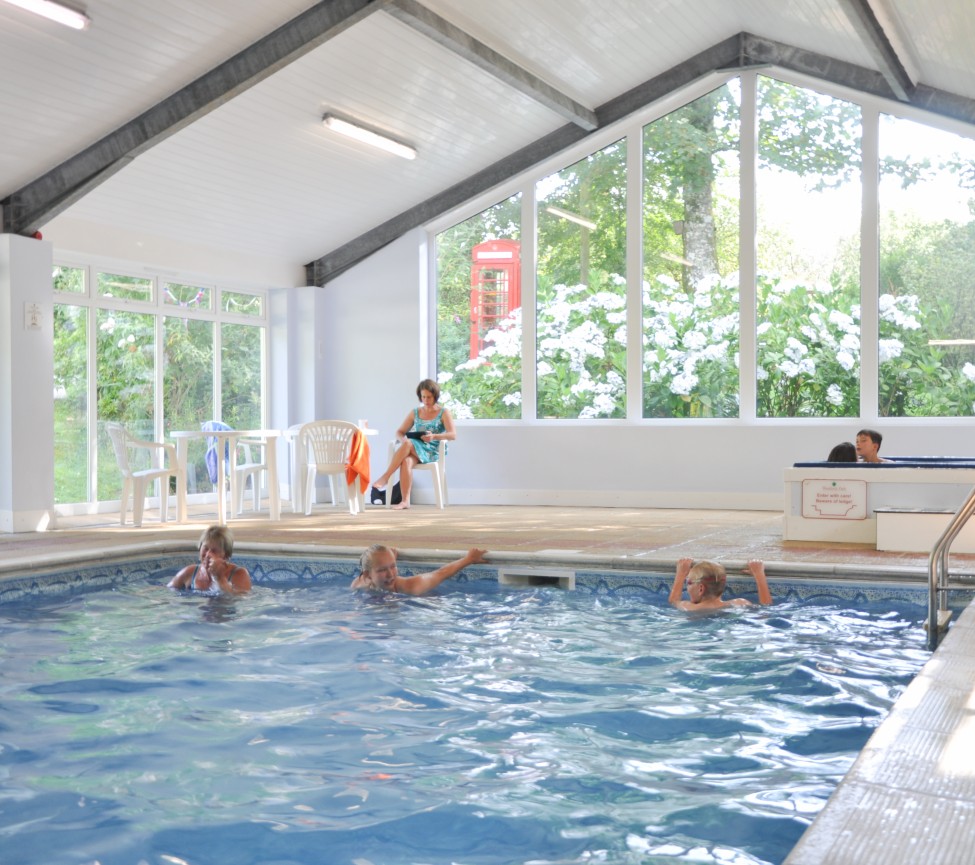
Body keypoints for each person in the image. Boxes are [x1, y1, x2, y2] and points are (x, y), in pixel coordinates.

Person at [371, 378, 456, 510]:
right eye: (423, 397)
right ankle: (405, 501)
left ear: (435, 396)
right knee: (406, 461)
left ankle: (386, 477)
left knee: (410, 444)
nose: (426, 401)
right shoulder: (415, 412)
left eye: (429, 397)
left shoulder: (443, 413)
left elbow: (452, 435)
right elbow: (399, 432)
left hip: (433, 450)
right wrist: (404, 442)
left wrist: (434, 436)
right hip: (416, 448)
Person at [351, 544, 488, 595]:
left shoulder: (412, 586)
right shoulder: (358, 584)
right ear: (367, 575)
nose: (390, 574)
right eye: (382, 570)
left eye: (393, 566)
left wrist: (468, 559)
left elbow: (441, 573)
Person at [168, 525, 252, 594]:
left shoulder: (239, 574)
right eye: (205, 548)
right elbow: (167, 592)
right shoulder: (189, 572)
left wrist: (220, 578)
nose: (208, 554)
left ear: (225, 556)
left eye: (214, 551)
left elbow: (242, 601)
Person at [669, 557, 772, 611]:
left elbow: (673, 601)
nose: (687, 586)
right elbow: (766, 607)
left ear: (701, 588)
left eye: (689, 582)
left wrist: (681, 575)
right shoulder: (740, 603)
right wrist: (759, 575)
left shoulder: (688, 607)